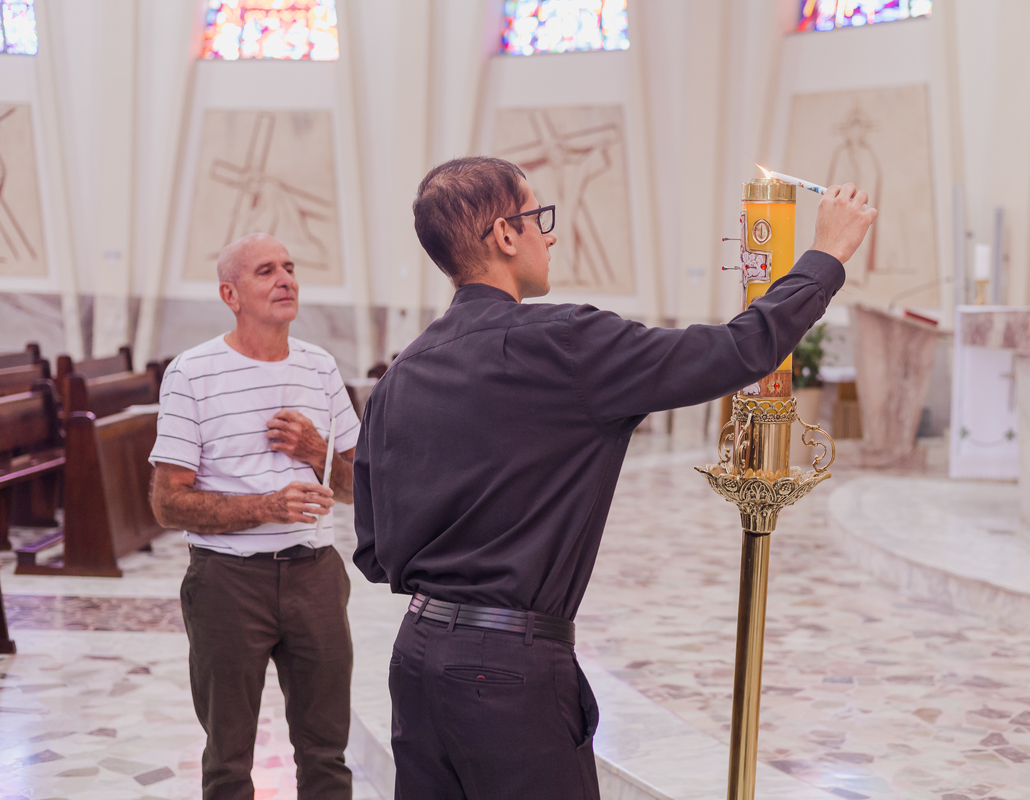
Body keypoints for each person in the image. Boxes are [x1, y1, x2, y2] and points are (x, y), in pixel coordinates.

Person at [353, 157, 876, 799]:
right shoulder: (566, 345)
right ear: (504, 235)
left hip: (416, 660)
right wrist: (827, 253)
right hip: (508, 670)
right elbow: (738, 351)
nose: (551, 235)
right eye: (538, 217)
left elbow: (375, 554)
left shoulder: (400, 374)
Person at [149, 233, 360, 800]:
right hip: (227, 581)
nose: (285, 278)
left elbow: (360, 484)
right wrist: (267, 507)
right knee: (228, 757)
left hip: (315, 575)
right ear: (230, 293)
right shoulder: (193, 372)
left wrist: (317, 451)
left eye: (289, 267)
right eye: (266, 270)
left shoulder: (320, 367)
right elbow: (167, 502)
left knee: (326, 754)